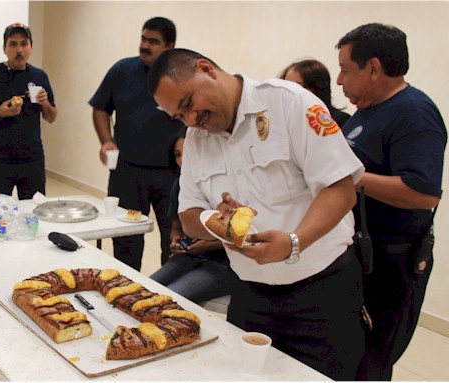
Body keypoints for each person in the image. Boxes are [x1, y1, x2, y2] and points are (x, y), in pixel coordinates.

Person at [148, 48, 365, 380]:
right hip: (251, 295)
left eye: (189, 103)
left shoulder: (289, 103)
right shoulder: (196, 139)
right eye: (179, 117)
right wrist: (216, 223)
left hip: (321, 294)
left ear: (206, 69)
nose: (191, 120)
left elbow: (340, 189)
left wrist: (293, 242)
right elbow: (190, 214)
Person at [335, 23, 447, 381]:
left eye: (345, 70)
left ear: (373, 68)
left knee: (372, 361)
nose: (339, 81)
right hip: (360, 254)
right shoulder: (367, 110)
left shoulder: (414, 113)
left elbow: (423, 193)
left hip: (392, 262)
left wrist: (350, 178)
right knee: (347, 353)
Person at [89, 17, 185, 271]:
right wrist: (106, 141)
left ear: (170, 45)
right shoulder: (122, 71)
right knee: (126, 243)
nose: (145, 45)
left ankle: (168, 296)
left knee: (173, 243)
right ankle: (126, 290)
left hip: (171, 175)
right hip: (127, 172)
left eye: (153, 41)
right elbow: (100, 108)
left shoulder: (181, 75)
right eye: (143, 38)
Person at [0, 23, 58, 200]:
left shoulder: (39, 76)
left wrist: (45, 103)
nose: (19, 50)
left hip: (32, 159)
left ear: (31, 48)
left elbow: (51, 117)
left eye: (24, 44)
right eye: (13, 44)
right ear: (4, 48)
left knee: (35, 214)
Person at [149, 130, 236, 303]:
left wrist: (209, 245)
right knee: (142, 290)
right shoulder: (179, 185)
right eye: (178, 155)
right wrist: (176, 241)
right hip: (189, 257)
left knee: (165, 300)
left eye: (188, 154)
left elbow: (244, 236)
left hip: (223, 264)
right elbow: (176, 228)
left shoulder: (231, 184)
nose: (183, 160)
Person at [279, 59, 351, 126]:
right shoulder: (282, 121)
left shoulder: (340, 121)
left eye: (298, 86)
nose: (289, 92)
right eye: (286, 86)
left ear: (318, 88)